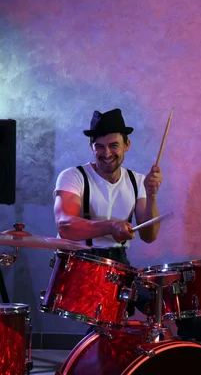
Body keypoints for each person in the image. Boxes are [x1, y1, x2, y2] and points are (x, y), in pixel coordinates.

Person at [53, 108, 162, 320]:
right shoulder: (73, 177)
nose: (107, 153)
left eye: (114, 145)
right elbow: (65, 226)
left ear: (126, 145)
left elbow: (149, 236)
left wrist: (151, 196)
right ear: (91, 147)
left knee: (169, 303)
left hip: (121, 266)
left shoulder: (137, 181)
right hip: (83, 264)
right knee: (106, 321)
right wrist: (111, 226)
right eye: (100, 147)